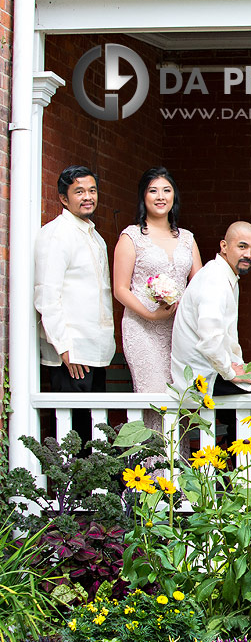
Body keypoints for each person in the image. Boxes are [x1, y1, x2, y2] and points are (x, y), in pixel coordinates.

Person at [35, 166, 116, 442]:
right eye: (79, 191)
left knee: (94, 434)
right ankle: (70, 488)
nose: (88, 197)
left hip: (94, 352)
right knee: (73, 436)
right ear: (63, 198)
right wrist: (65, 348)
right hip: (71, 355)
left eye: (92, 190)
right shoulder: (57, 234)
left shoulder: (95, 237)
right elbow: (47, 295)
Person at [113, 167, 203, 397]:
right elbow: (120, 289)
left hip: (180, 329)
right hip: (143, 328)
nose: (161, 196)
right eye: (153, 191)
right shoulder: (131, 237)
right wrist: (150, 314)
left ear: (174, 196)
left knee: (181, 395)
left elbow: (199, 285)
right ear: (144, 196)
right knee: (154, 394)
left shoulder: (187, 238)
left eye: (166, 190)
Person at [171, 221, 251, 397]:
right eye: (242, 246)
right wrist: (230, 372)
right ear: (224, 246)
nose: (249, 255)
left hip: (213, 370)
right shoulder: (214, 279)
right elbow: (210, 338)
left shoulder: (224, 276)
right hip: (202, 376)